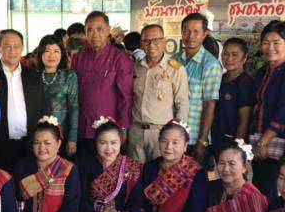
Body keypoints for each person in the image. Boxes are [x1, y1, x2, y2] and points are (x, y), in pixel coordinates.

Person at [249, 20, 285, 200]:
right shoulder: (263, 72)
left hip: (278, 143)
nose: (270, 48)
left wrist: (264, 141)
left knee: (272, 192)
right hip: (259, 141)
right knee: (259, 190)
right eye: (266, 43)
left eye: (276, 43)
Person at [0, 29, 47, 173]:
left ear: (22, 48)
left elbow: (43, 109)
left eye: (16, 46)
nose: (12, 51)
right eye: (7, 46)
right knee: (2, 183)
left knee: (29, 183)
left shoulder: (34, 76)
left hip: (30, 144)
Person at [74, 11, 134, 158]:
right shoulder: (78, 57)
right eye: (89, 30)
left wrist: (123, 128)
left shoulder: (120, 59)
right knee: (84, 167)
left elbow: (126, 97)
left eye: (99, 29)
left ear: (108, 30)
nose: (94, 34)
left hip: (108, 131)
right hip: (82, 128)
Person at [129, 24, 189, 162]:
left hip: (161, 133)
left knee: (159, 172)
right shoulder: (135, 67)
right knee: (135, 172)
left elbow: (182, 104)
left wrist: (177, 135)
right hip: (136, 130)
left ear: (164, 42)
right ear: (141, 44)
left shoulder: (176, 69)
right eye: (146, 41)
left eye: (156, 40)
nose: (151, 45)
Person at [173, 13, 223, 163]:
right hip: (173, 135)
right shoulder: (174, 60)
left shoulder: (210, 64)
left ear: (204, 34)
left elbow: (210, 105)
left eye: (196, 31)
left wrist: (202, 141)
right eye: (186, 31)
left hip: (194, 138)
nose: (191, 36)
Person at [37, 34, 79, 158]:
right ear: (41, 53)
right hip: (38, 137)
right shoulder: (33, 76)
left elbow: (74, 107)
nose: (52, 55)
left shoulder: (69, 76)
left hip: (62, 135)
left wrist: (72, 138)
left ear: (62, 54)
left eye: (56, 51)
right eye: (47, 51)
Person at [211, 38, 254, 148]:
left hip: (232, 142)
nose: (229, 59)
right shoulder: (220, 79)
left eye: (235, 55)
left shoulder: (246, 83)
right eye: (226, 54)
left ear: (244, 58)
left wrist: (237, 147)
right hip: (215, 139)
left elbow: (244, 120)